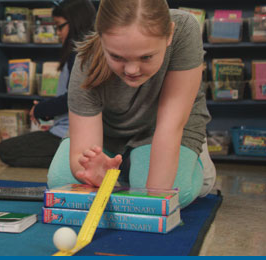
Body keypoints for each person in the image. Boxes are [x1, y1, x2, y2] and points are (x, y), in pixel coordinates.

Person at [46, 0, 216, 208]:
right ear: (101, 37)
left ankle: (196, 163)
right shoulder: (86, 61)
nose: (132, 70)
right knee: (62, 184)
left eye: (146, 57)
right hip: (109, 133)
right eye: (117, 56)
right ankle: (129, 169)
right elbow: (83, 151)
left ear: (169, 34)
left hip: (161, 128)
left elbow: (170, 127)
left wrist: (153, 204)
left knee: (175, 194)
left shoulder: (184, 28)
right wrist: (95, 176)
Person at [0, 0, 96, 168]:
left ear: (74, 23)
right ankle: (67, 159)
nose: (57, 33)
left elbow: (74, 98)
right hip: (67, 130)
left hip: (68, 134)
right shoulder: (80, 54)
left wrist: (41, 109)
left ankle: (66, 160)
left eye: (59, 26)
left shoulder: (79, 55)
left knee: (6, 150)